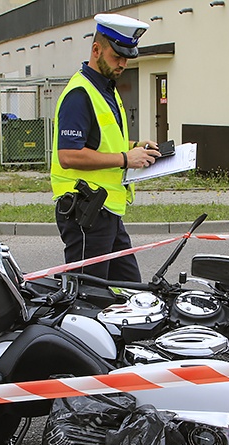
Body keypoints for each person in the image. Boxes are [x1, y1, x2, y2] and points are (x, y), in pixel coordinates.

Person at [51, 13, 161, 283]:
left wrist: (136, 147)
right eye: (117, 56)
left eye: (126, 58)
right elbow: (68, 155)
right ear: (96, 49)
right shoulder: (80, 94)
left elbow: (101, 142)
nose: (122, 64)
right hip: (85, 213)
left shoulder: (106, 89)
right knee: (87, 297)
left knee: (130, 289)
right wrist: (125, 158)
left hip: (106, 211)